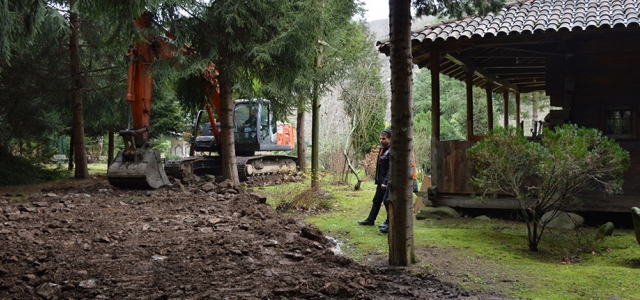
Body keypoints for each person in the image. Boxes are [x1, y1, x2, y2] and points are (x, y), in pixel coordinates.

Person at [357, 127, 391, 227]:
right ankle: (370, 220)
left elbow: (390, 168)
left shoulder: (391, 150)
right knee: (376, 200)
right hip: (380, 180)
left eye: (384, 139)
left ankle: (389, 222)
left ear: (390, 139)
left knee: (386, 202)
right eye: (380, 138)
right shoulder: (382, 149)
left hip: (386, 182)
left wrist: (386, 181)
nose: (381, 140)